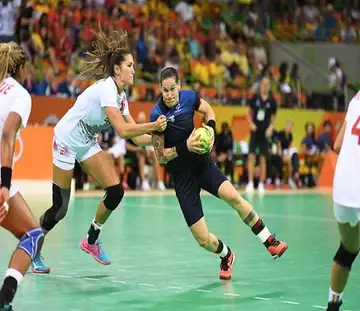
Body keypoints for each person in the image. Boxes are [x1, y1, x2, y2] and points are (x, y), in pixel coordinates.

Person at [31, 28, 167, 273]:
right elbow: (124, 131)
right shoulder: (106, 89)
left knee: (115, 191)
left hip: (86, 142)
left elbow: (135, 136)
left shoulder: (121, 96)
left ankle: (91, 239)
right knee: (60, 208)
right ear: (117, 69)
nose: (134, 70)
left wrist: (160, 140)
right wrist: (155, 125)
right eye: (130, 65)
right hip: (66, 139)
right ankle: (32, 247)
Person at [150, 67, 288, 280]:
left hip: (202, 164)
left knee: (234, 197)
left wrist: (211, 129)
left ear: (180, 86)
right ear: (159, 88)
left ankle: (270, 241)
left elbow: (208, 111)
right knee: (203, 239)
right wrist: (184, 146)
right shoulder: (157, 115)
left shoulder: (189, 98)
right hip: (182, 178)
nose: (169, 94)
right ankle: (226, 254)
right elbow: (160, 156)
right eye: (165, 90)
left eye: (173, 89)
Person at [0, 42, 44, 311]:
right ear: (22, 68)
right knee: (32, 234)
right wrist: (4, 184)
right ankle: (5, 298)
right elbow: (8, 133)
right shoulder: (20, 95)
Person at [327, 91, 360, 311]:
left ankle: (333, 306)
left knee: (348, 250)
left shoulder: (356, 98)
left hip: (343, 188)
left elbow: (338, 145)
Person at [246, 75, 277, 193]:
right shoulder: (255, 98)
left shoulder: (272, 101)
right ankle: (250, 182)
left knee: (263, 158)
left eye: (267, 84)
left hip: (265, 132)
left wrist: (270, 127)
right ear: (260, 85)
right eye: (263, 84)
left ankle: (261, 184)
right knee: (251, 156)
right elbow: (248, 113)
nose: (265, 86)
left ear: (269, 86)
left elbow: (274, 117)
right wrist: (251, 124)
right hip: (255, 131)